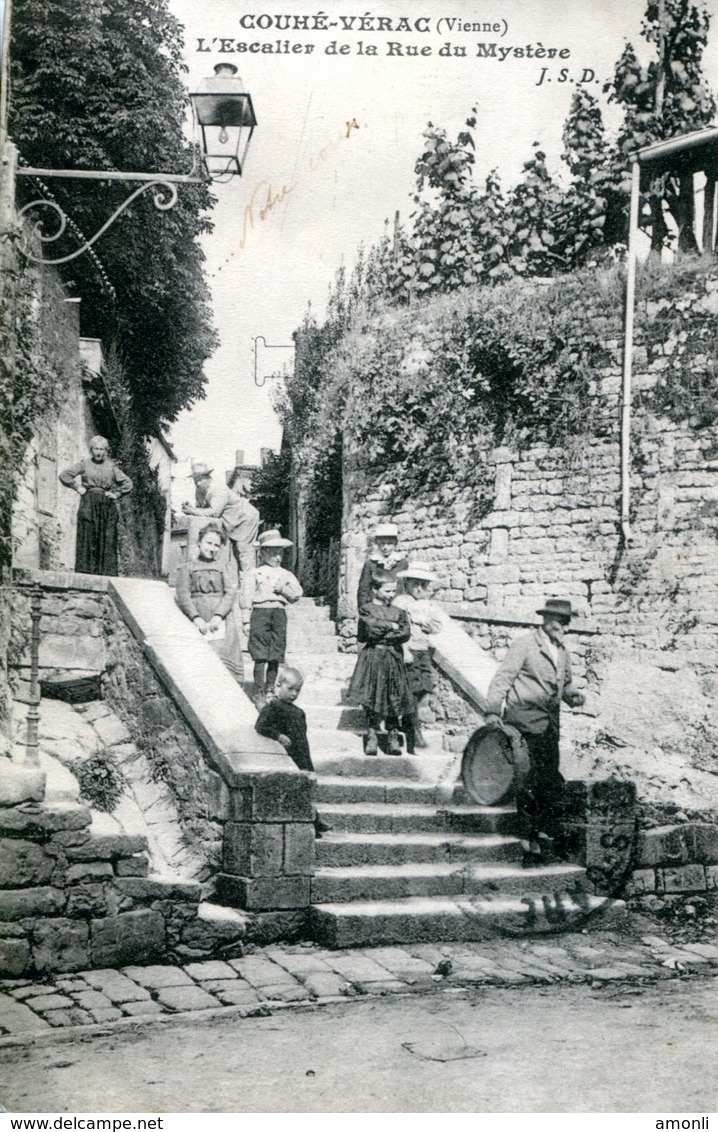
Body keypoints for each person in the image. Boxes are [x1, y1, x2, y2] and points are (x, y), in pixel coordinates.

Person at [485, 598, 586, 866]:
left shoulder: (562, 651)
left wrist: (573, 696)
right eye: (558, 621)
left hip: (549, 727)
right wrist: (493, 710)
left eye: (566, 622)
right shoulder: (525, 645)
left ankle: (542, 837)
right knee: (527, 783)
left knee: (548, 781)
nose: (563, 627)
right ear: (545, 619)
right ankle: (528, 844)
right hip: (523, 724)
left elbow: (565, 685)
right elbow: (503, 678)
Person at [255, 666, 331, 838]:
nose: (294, 694)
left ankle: (314, 821)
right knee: (298, 791)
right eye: (290, 689)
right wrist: (278, 736)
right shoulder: (273, 707)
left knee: (305, 789)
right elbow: (261, 726)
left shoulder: (298, 712)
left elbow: (303, 739)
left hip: (301, 756)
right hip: (288, 757)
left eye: (298, 690)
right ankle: (314, 822)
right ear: (278, 686)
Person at [348, 573, 415, 756]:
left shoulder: (399, 612)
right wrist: (390, 627)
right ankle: (372, 735)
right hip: (374, 657)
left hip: (393, 657)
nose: (391, 594)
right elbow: (369, 630)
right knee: (372, 696)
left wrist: (385, 631)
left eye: (394, 591)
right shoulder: (366, 609)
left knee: (393, 695)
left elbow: (405, 633)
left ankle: (393, 736)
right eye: (387, 591)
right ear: (375, 590)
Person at [175, 523, 244, 683]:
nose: (212, 548)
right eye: (208, 543)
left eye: (216, 545)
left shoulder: (224, 567)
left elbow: (230, 593)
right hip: (196, 618)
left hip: (221, 620)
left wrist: (218, 616)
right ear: (199, 543)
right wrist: (196, 618)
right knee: (198, 663)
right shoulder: (187, 568)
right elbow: (183, 595)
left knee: (222, 663)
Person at [59, 435, 133, 576]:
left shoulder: (111, 467)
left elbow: (128, 483)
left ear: (105, 451)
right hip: (88, 504)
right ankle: (85, 574)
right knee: (87, 537)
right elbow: (65, 475)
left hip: (106, 506)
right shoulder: (84, 464)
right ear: (91, 450)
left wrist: (116, 494)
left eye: (101, 449)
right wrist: (77, 487)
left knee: (107, 539)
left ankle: (106, 575)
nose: (98, 452)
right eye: (96, 449)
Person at [245, 529, 303, 706]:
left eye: (280, 553)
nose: (277, 557)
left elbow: (297, 594)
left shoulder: (286, 574)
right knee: (260, 653)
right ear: (262, 553)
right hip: (260, 612)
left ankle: (270, 688)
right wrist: (245, 620)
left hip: (278, 613)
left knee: (275, 653)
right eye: (272, 553)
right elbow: (247, 596)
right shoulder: (255, 573)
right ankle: (259, 690)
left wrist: (283, 590)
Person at [182, 461, 260, 585]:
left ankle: (250, 585)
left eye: (200, 479)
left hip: (245, 518)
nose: (197, 482)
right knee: (231, 554)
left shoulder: (218, 489)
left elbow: (214, 513)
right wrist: (192, 508)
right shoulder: (200, 490)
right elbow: (202, 511)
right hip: (231, 521)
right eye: (195, 479)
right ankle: (234, 584)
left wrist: (192, 511)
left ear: (208, 477)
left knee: (243, 551)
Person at [394, 562, 444, 750]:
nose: (420, 588)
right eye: (416, 584)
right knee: (412, 688)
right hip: (408, 649)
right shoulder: (401, 601)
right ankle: (413, 728)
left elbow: (437, 625)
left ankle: (410, 722)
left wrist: (425, 622)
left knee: (424, 686)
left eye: (423, 584)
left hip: (422, 649)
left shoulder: (428, 604)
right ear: (407, 583)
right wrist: (404, 649)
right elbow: (401, 625)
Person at [356, 522, 408, 613]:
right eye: (382, 543)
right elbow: (363, 589)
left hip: (397, 607)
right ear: (377, 544)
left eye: (389, 544)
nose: (385, 547)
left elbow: (405, 587)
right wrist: (364, 609)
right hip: (375, 608)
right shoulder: (370, 563)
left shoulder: (402, 563)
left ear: (395, 544)